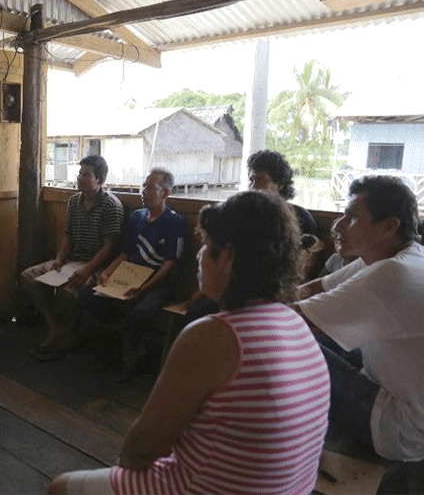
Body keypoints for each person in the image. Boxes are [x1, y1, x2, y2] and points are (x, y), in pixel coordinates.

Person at [49, 191, 330, 495]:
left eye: (207, 246)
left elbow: (140, 450)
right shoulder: (295, 323)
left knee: (61, 486)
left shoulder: (214, 335)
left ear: (228, 257)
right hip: (291, 489)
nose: (199, 257)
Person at [295, 175, 424, 461]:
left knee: (291, 345)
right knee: (319, 334)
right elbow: (311, 289)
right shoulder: (399, 256)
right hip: (396, 390)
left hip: (402, 428)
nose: (338, 225)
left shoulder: (391, 274)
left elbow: (292, 320)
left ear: (389, 226)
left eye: (351, 217)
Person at [182, 149, 322, 325]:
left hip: (269, 295)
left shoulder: (299, 219)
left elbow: (295, 266)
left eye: (261, 180)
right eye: (252, 180)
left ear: (280, 184)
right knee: (194, 313)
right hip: (231, 287)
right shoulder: (244, 216)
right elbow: (221, 255)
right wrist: (203, 290)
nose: (254, 186)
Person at [79, 168, 186, 380]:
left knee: (140, 312)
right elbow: (125, 254)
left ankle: (131, 359)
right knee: (87, 296)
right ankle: (118, 346)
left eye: (151, 187)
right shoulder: (137, 217)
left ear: (165, 193)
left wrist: (143, 289)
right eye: (144, 185)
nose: (144, 191)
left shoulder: (175, 222)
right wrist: (106, 274)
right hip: (130, 276)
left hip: (158, 282)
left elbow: (170, 265)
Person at [21, 155, 124, 362]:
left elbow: (110, 246)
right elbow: (69, 235)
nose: (80, 179)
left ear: (100, 180)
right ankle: (55, 327)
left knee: (68, 292)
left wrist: (88, 269)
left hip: (97, 265)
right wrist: (59, 259)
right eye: (79, 174)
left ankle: (69, 335)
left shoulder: (111, 205)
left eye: (86, 175)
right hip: (72, 260)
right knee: (27, 277)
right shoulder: (74, 201)